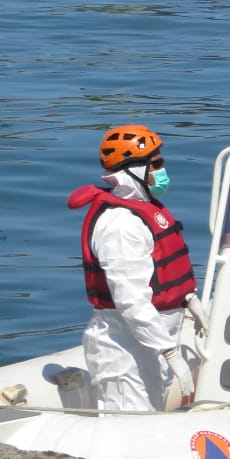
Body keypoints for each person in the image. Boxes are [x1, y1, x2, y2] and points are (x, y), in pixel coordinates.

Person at [68, 125, 197, 412]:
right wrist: (169, 351)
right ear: (135, 169)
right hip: (124, 346)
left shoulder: (144, 212)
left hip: (152, 341)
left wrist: (191, 302)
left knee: (151, 412)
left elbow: (160, 276)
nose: (162, 171)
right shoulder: (120, 226)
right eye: (157, 164)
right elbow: (131, 300)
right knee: (129, 420)